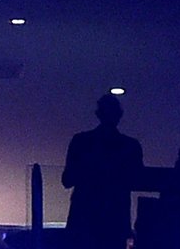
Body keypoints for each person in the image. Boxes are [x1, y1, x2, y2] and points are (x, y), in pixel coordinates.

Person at [63, 95, 143, 249]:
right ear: (119, 115)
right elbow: (137, 180)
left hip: (84, 218)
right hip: (114, 220)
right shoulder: (130, 146)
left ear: (98, 114)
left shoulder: (81, 142)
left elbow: (67, 179)